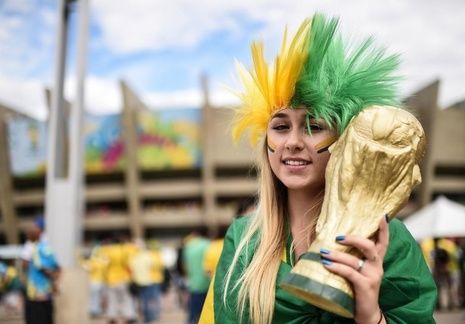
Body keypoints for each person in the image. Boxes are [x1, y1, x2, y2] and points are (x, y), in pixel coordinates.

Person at [200, 13, 437, 324]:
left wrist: (370, 316)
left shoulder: (387, 238)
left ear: (343, 143)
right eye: (281, 127)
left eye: (314, 126)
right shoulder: (243, 240)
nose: (294, 142)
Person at [23, 218, 61, 324]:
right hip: (47, 294)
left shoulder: (36, 249)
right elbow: (57, 268)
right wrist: (55, 284)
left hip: (36, 295)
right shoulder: (47, 248)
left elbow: (43, 268)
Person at [183, 228, 211, 324]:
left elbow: (185, 266)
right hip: (208, 283)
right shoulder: (208, 244)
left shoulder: (188, 246)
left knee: (193, 314)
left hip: (194, 284)